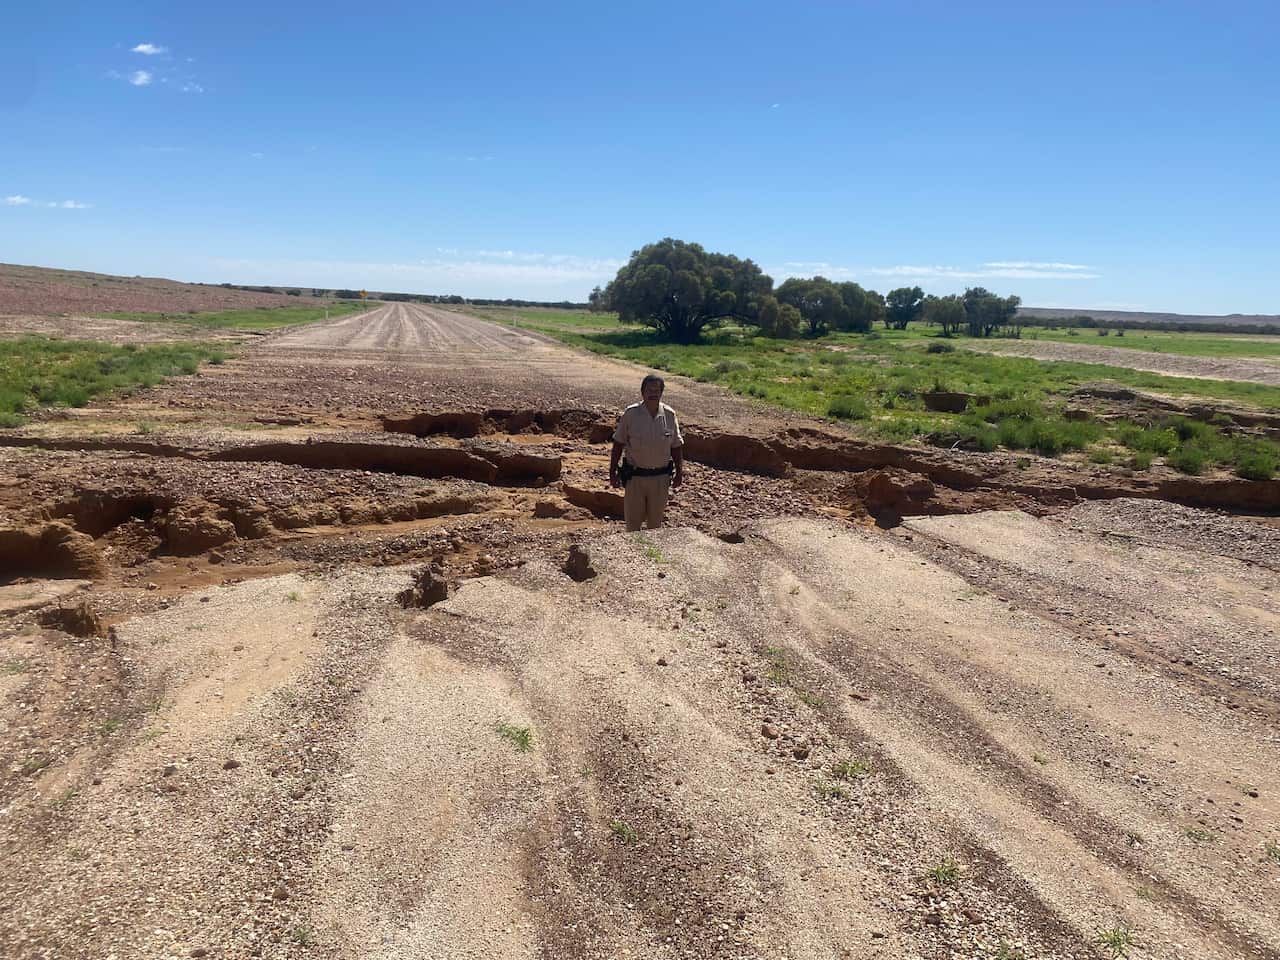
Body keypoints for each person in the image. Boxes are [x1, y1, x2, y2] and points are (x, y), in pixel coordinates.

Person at [609, 374, 685, 531]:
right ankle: (633, 555)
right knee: (633, 525)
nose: (653, 393)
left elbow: (676, 446)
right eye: (649, 390)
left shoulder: (669, 415)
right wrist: (612, 472)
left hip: (660, 480)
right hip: (635, 479)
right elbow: (618, 444)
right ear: (642, 392)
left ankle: (651, 556)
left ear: (661, 393)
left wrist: (679, 473)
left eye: (657, 390)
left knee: (655, 526)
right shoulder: (631, 414)